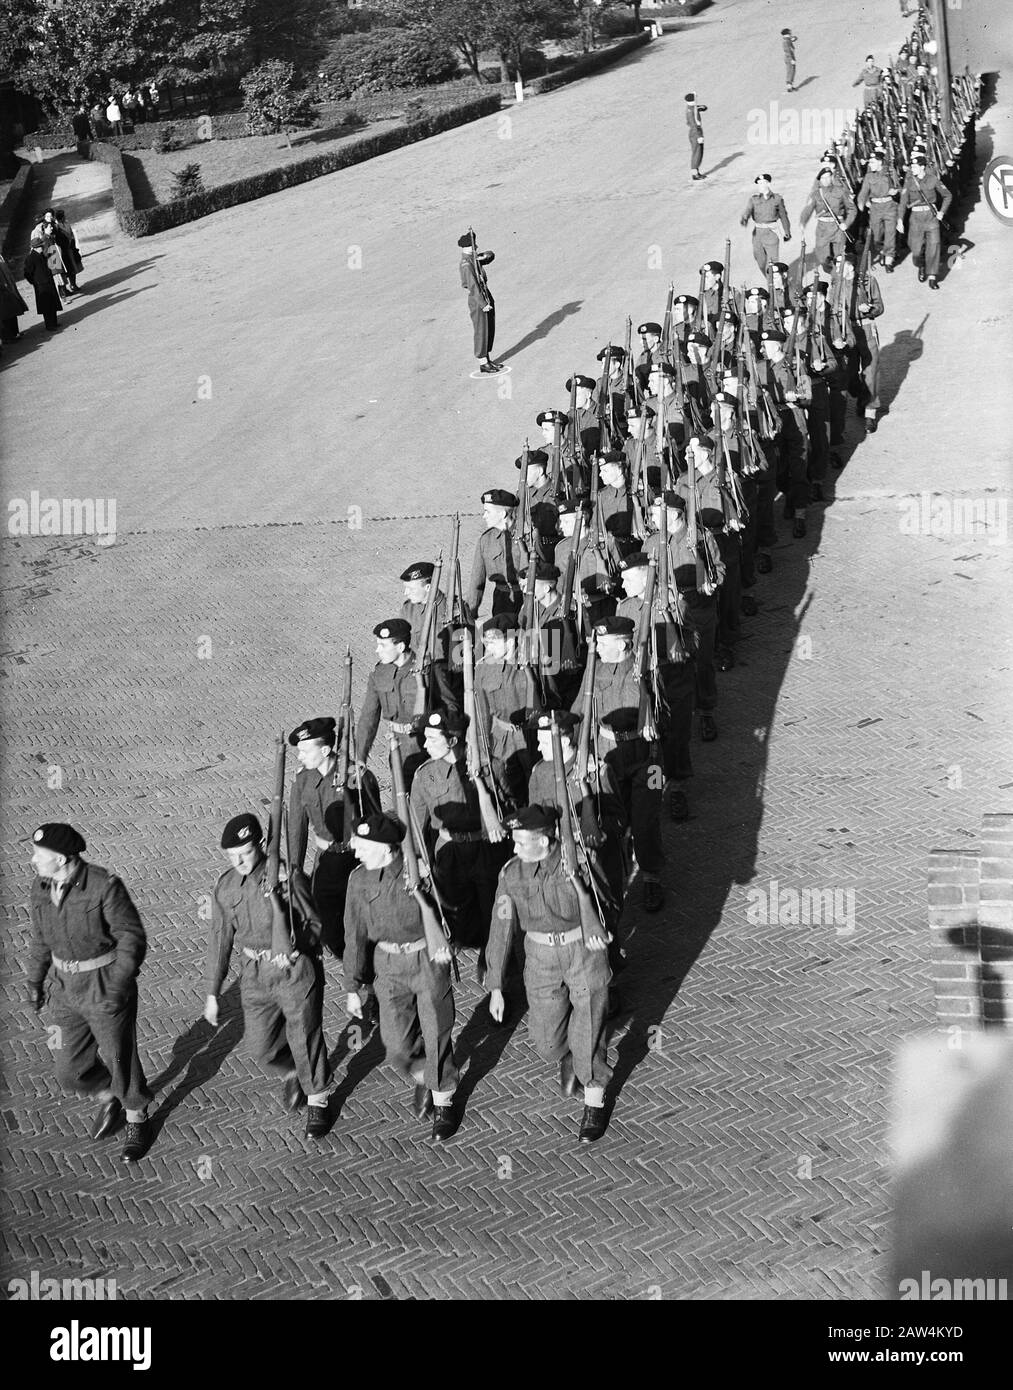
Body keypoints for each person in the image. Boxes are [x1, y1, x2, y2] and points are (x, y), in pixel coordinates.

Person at [25, 823, 154, 1162]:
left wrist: (118, 985)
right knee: (68, 1070)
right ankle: (107, 1094)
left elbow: (131, 937)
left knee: (118, 1056)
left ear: (64, 859)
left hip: (103, 983)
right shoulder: (41, 887)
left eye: (40, 856)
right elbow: (41, 938)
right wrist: (34, 980)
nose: (33, 861)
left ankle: (136, 1117)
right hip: (64, 989)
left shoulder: (103, 886)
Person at [487, 804, 612, 1142]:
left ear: (544, 842)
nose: (513, 848)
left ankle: (594, 1097)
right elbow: (501, 927)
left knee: (588, 1026)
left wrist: (585, 867)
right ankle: (573, 1050)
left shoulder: (578, 863)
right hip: (540, 956)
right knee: (547, 1043)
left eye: (520, 842)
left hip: (582, 950)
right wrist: (496, 985)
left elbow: (607, 901)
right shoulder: (511, 874)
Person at [204, 813, 332, 1139]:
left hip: (293, 970)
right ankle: (294, 1070)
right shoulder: (226, 886)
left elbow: (316, 925)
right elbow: (220, 940)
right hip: (254, 974)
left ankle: (318, 1099)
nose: (238, 861)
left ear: (261, 845)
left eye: (244, 852)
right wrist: (212, 992)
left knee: (305, 1034)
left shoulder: (288, 878)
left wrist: (294, 943)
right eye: (231, 855)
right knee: (260, 1047)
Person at [344, 812, 459, 1141]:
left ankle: (444, 1099)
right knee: (395, 1044)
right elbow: (354, 934)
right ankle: (425, 1075)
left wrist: (429, 879)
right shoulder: (358, 880)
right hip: (388, 965)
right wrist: (352, 985)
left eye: (363, 847)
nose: (356, 853)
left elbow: (450, 906)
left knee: (437, 1030)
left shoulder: (418, 871)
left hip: (425, 958)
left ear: (388, 849)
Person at [287, 716, 381, 957]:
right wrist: (295, 869)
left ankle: (368, 984)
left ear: (326, 749)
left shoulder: (357, 778)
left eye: (306, 751)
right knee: (330, 931)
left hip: (356, 862)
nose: (300, 757)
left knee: (362, 924)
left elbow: (377, 822)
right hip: (325, 862)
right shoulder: (302, 780)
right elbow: (297, 827)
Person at [356, 618, 424, 787]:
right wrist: (360, 757)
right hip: (398, 749)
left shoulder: (425, 670)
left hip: (427, 748)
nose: (377, 650)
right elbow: (368, 717)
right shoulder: (379, 673)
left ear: (400, 647)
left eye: (383, 645)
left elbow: (448, 707)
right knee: (401, 799)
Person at [897, 152, 952, 289]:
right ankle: (921, 264)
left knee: (934, 245)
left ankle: (932, 277)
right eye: (912, 166)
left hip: (931, 217)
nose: (912, 168)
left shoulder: (933, 179)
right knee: (916, 250)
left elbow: (947, 196)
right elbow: (903, 203)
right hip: (915, 219)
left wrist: (942, 212)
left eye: (915, 166)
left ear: (922, 167)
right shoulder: (909, 182)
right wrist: (899, 220)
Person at [459, 231, 503, 374]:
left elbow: (488, 256)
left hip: (484, 294)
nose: (476, 248)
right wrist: (483, 304)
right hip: (478, 299)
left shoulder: (472, 259)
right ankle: (483, 362)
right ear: (467, 248)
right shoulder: (466, 264)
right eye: (473, 246)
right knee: (481, 330)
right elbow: (472, 286)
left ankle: (487, 358)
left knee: (489, 327)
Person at [800, 165, 856, 272]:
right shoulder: (816, 194)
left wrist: (846, 223)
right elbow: (808, 210)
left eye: (828, 177)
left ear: (832, 177)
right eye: (823, 178)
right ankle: (831, 270)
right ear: (819, 180)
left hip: (838, 226)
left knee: (839, 256)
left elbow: (852, 209)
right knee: (823, 257)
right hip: (823, 228)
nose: (826, 180)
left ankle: (838, 276)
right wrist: (803, 222)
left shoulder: (841, 191)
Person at [857, 147, 899, 272]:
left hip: (889, 206)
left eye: (873, 162)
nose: (870, 164)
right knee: (877, 236)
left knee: (890, 234)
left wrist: (895, 191)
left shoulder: (890, 172)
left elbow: (899, 188)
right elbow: (863, 192)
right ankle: (882, 251)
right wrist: (862, 203)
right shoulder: (869, 176)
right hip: (875, 208)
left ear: (880, 162)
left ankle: (888, 261)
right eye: (870, 162)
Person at [741, 175, 792, 275]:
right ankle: (772, 280)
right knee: (760, 261)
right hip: (757, 234)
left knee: (772, 264)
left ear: (768, 184)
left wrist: (787, 232)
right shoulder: (754, 199)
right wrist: (744, 218)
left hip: (771, 233)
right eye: (759, 183)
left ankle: (773, 286)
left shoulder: (777, 199)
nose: (761, 185)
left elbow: (783, 216)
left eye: (763, 183)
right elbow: (748, 210)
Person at [22, 226, 62, 331]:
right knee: (46, 306)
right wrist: (35, 282)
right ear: (35, 247)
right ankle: (49, 325)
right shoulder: (31, 258)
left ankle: (54, 322)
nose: (42, 247)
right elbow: (27, 273)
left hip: (48, 282)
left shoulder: (40, 255)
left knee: (52, 304)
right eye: (40, 246)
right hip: (41, 285)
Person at [0, 252, 28, 342]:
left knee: (13, 312)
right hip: (3, 291)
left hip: (9, 288)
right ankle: (9, 337)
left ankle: (15, 332)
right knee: (6, 314)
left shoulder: (1, 258)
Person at [685, 92, 707, 180]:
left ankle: (696, 171)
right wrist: (698, 136)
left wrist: (701, 108)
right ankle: (695, 174)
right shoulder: (690, 111)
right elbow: (693, 124)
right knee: (696, 153)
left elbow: (696, 109)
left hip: (697, 131)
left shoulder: (692, 108)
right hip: (695, 133)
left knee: (699, 152)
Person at [781, 28, 797, 93]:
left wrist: (794, 38)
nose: (791, 33)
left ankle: (790, 85)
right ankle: (789, 86)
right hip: (789, 58)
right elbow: (788, 51)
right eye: (790, 32)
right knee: (790, 71)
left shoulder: (787, 39)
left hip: (789, 57)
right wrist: (792, 59)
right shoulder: (786, 41)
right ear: (787, 33)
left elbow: (792, 39)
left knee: (792, 71)